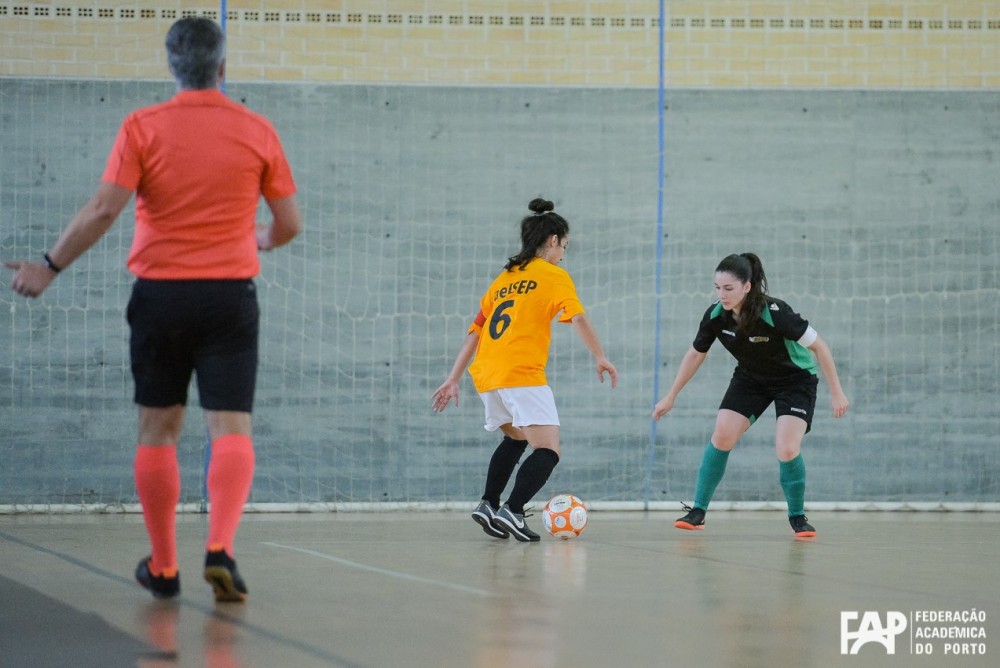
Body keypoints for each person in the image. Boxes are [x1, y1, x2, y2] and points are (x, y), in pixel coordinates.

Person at [6, 17, 301, 601]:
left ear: (172, 66)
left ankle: (164, 566)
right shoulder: (257, 129)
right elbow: (289, 224)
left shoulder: (142, 126)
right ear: (222, 67)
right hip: (229, 298)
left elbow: (101, 211)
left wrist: (50, 266)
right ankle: (220, 548)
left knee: (158, 428)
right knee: (230, 426)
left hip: (161, 297)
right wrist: (258, 239)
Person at [432, 198, 618, 542]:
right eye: (564, 246)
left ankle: (489, 503)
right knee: (547, 450)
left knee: (515, 437)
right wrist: (600, 355)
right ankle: (513, 511)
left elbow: (475, 331)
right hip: (520, 372)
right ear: (552, 241)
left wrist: (453, 378)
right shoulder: (554, 276)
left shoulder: (503, 279)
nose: (564, 253)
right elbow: (578, 317)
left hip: (486, 373)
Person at [652, 253, 848, 537]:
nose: (722, 295)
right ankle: (698, 511)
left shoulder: (776, 313)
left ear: (748, 286)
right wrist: (671, 396)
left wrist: (837, 393)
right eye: (717, 288)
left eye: (728, 288)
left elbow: (821, 347)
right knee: (722, 435)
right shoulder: (715, 316)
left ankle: (797, 516)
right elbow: (696, 354)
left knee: (787, 447)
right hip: (751, 379)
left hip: (795, 381)